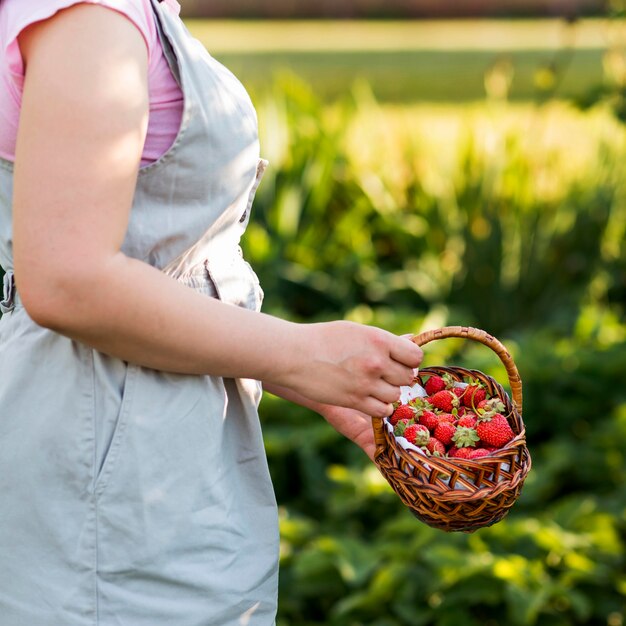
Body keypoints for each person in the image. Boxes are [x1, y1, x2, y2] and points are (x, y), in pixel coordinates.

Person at [0, 0, 423, 623]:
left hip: (130, 457)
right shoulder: (90, 14)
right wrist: (299, 354)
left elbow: (148, 260)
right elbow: (67, 278)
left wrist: (307, 372)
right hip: (115, 493)